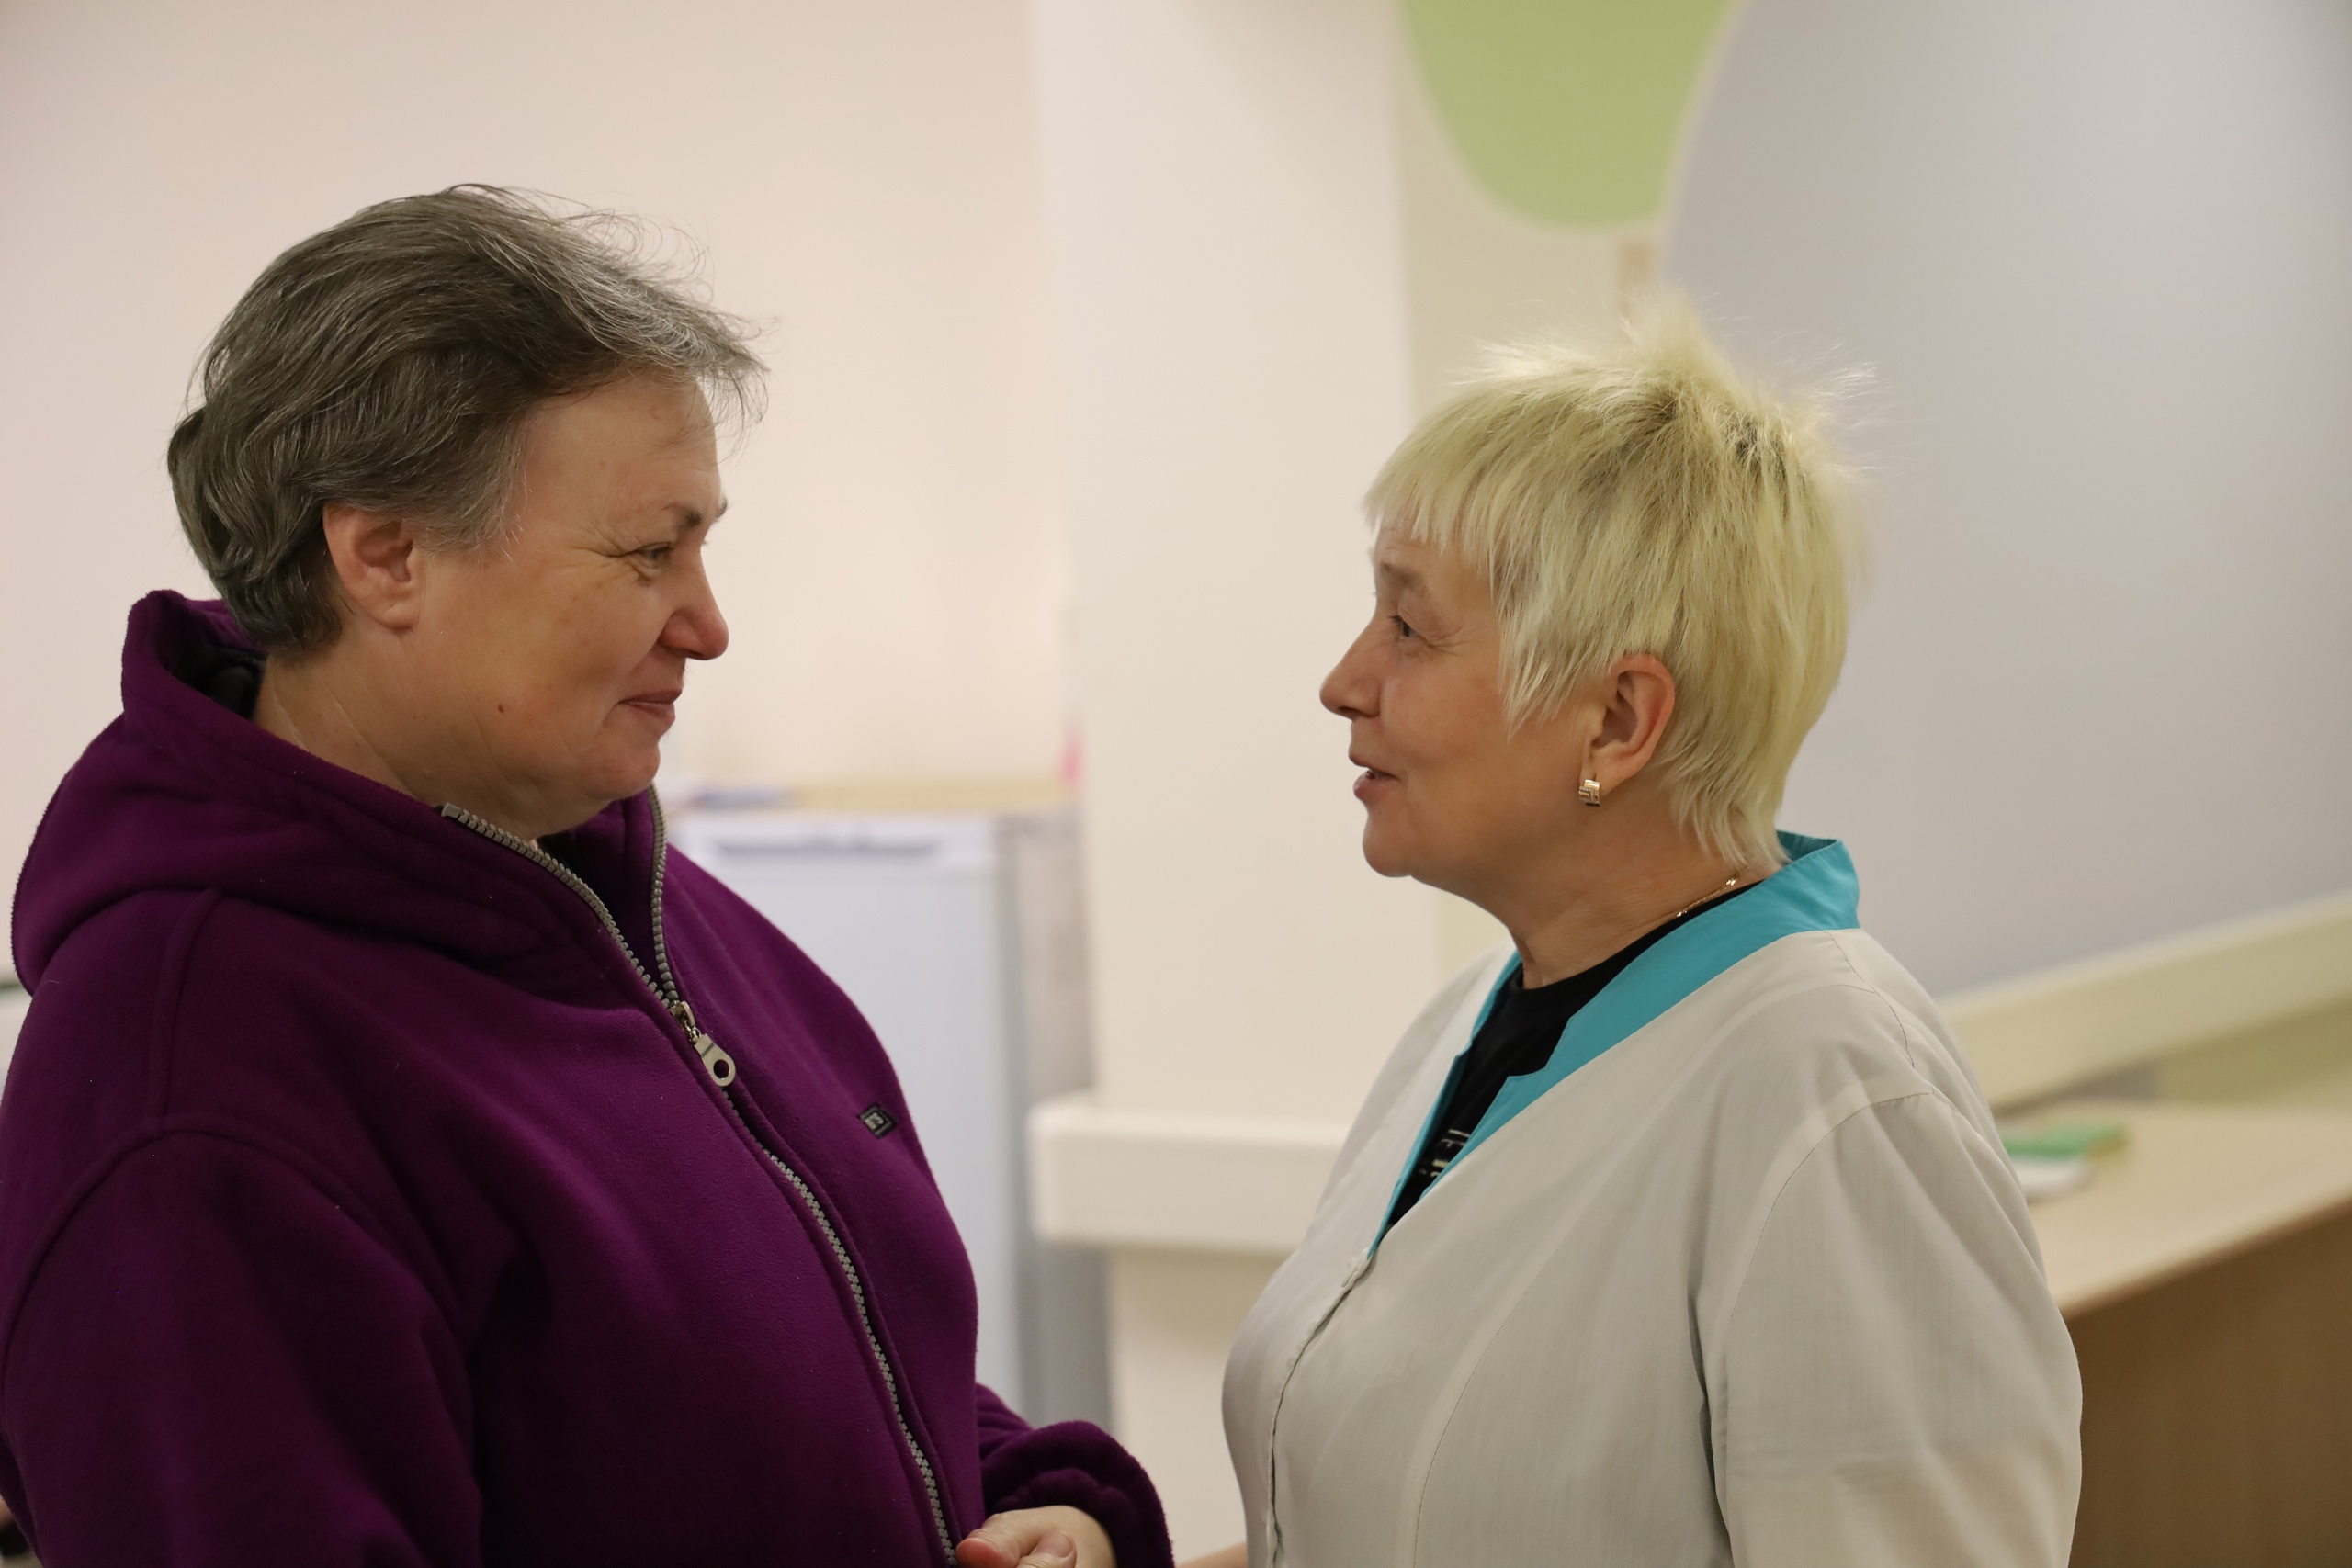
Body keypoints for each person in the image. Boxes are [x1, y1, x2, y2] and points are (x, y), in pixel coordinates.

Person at [0, 187, 1165, 1568]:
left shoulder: (609, 892)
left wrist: (1040, 1504)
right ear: (385, 555)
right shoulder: (188, 1092)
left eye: (703, 544)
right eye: (647, 554)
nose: (709, 624)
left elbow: (846, 1362)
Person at [1213, 304, 2081, 1567]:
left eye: (1409, 626)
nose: (1345, 681)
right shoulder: (1472, 1025)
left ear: (1619, 720)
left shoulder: (1835, 1092)